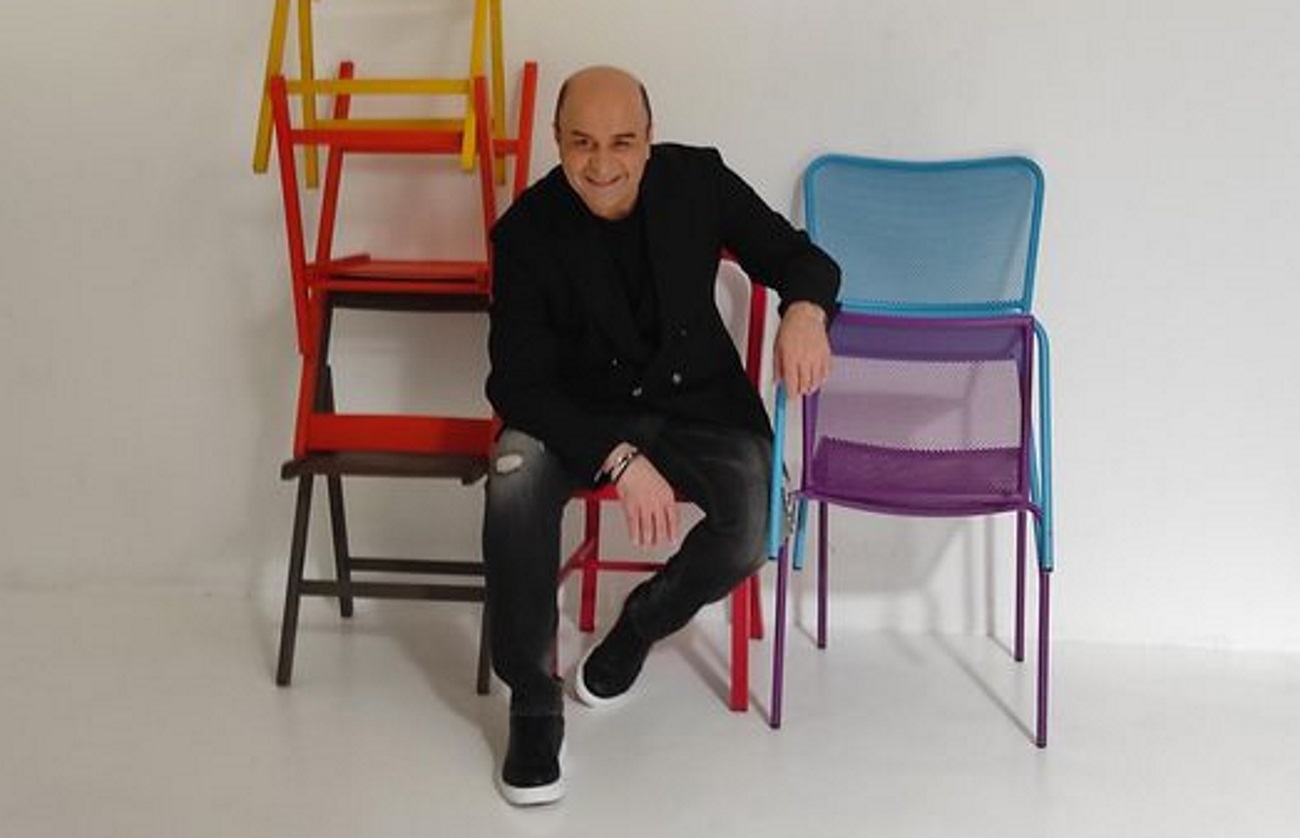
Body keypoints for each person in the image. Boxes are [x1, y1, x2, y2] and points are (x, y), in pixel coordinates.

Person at [482, 65, 840, 806]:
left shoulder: (698, 181)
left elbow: (799, 257)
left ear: (650, 139)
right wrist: (617, 459)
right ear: (557, 140)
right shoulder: (524, 232)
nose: (601, 164)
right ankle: (534, 700)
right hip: (582, 419)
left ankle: (641, 625)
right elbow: (517, 383)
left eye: (621, 142)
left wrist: (804, 310)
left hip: (695, 407)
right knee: (513, 472)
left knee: (758, 523)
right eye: (581, 143)